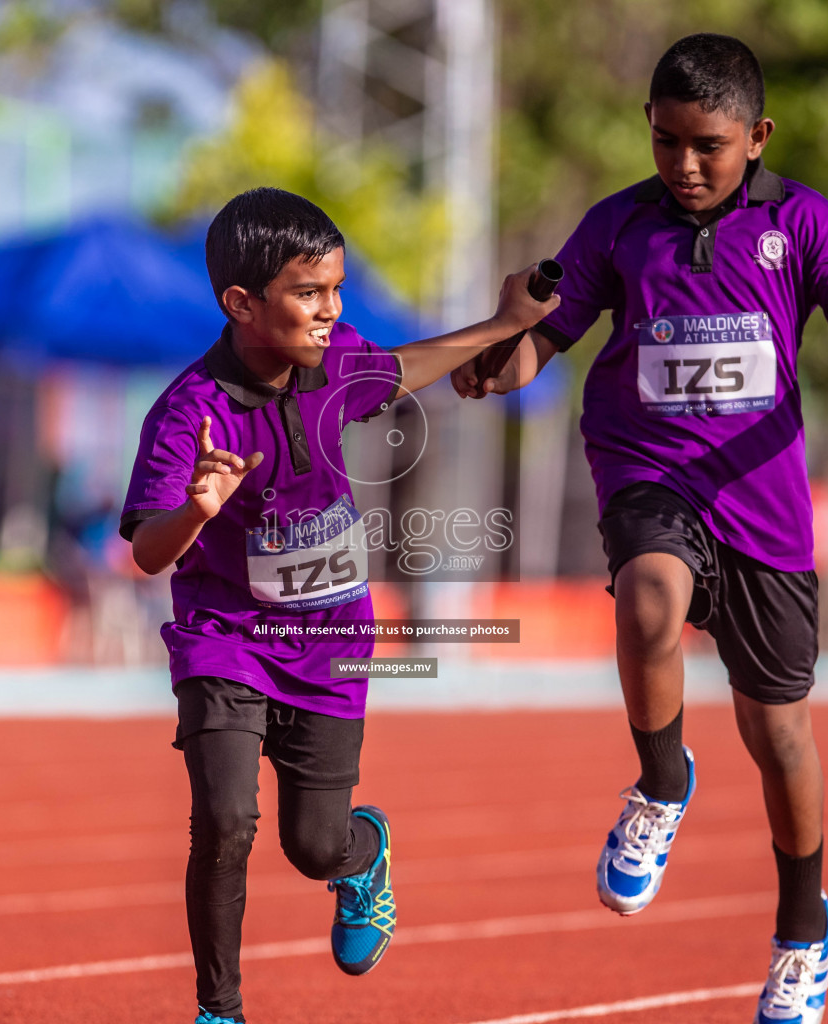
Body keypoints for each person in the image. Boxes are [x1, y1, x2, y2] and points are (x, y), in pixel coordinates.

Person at [453, 33, 828, 1024]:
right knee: (647, 599)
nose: (685, 165)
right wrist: (494, 362)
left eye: (710, 146)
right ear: (648, 127)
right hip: (648, 471)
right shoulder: (617, 227)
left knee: (779, 737)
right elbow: (541, 346)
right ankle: (660, 782)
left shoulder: (802, 223)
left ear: (758, 137)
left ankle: (803, 931)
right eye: (667, 141)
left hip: (761, 504)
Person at [121, 186, 559, 1024]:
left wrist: (505, 325)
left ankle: (363, 855)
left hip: (330, 645)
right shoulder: (186, 415)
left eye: (336, 290)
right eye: (309, 293)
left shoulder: (337, 361)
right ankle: (220, 1009)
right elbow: (147, 553)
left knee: (311, 843)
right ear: (241, 304)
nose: (332, 310)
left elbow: (403, 368)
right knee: (223, 819)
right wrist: (197, 510)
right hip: (228, 640)